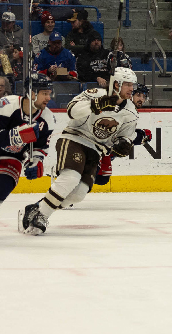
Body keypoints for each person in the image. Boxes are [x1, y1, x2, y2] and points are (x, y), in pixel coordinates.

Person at [19, 69, 140, 235]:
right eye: (127, 84)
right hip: (74, 138)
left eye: (132, 84)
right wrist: (95, 105)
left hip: (96, 150)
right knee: (71, 178)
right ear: (117, 84)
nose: (131, 88)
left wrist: (123, 144)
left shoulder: (131, 112)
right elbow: (71, 111)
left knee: (78, 194)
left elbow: (123, 137)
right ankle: (42, 215)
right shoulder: (96, 93)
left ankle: (36, 209)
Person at [0, 75, 55, 214]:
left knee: (1, 189)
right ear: (31, 92)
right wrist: (16, 135)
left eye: (49, 93)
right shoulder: (6, 105)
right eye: (44, 93)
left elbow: (40, 148)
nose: (48, 98)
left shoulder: (47, 119)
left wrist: (35, 161)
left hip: (12, 159)